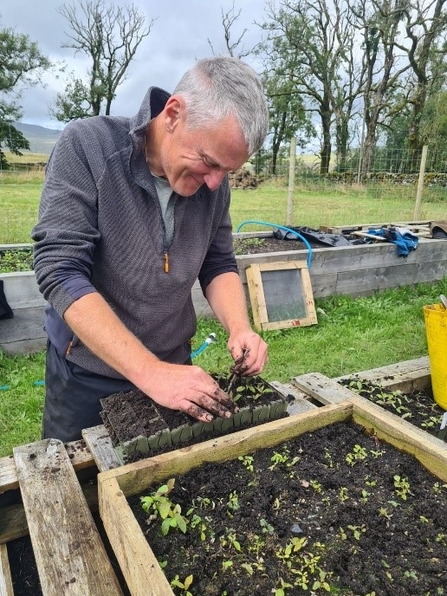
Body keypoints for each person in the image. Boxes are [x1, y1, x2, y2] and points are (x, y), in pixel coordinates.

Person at [32, 56, 270, 442]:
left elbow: (218, 261)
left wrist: (239, 327)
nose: (214, 183)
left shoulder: (213, 184)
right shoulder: (87, 147)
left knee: (170, 488)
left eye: (227, 170)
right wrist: (148, 372)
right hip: (89, 372)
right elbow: (60, 270)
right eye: (208, 162)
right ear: (173, 113)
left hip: (175, 366)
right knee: (88, 488)